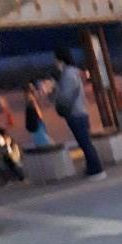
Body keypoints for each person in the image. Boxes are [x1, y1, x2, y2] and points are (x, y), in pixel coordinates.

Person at [52, 47, 105, 180]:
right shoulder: (71, 73)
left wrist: (55, 94)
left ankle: (97, 169)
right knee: (85, 142)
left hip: (75, 113)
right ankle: (92, 168)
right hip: (80, 111)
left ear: (60, 59)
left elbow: (66, 96)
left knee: (85, 143)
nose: (54, 62)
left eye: (56, 59)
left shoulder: (68, 75)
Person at [24, 84, 53, 148]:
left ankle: (29, 91)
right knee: (32, 107)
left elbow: (38, 115)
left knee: (32, 108)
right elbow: (39, 115)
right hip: (35, 125)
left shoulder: (34, 123)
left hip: (35, 125)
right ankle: (29, 91)